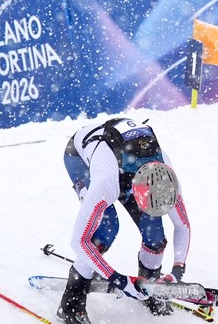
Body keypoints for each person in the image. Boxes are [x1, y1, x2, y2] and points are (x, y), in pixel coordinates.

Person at [56, 117, 191, 324]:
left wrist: (177, 270)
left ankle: (150, 285)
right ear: (137, 193)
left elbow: (182, 226)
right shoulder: (106, 182)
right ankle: (70, 305)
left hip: (127, 161)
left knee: (155, 236)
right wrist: (118, 279)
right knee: (104, 230)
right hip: (81, 158)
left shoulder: (166, 176)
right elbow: (78, 241)